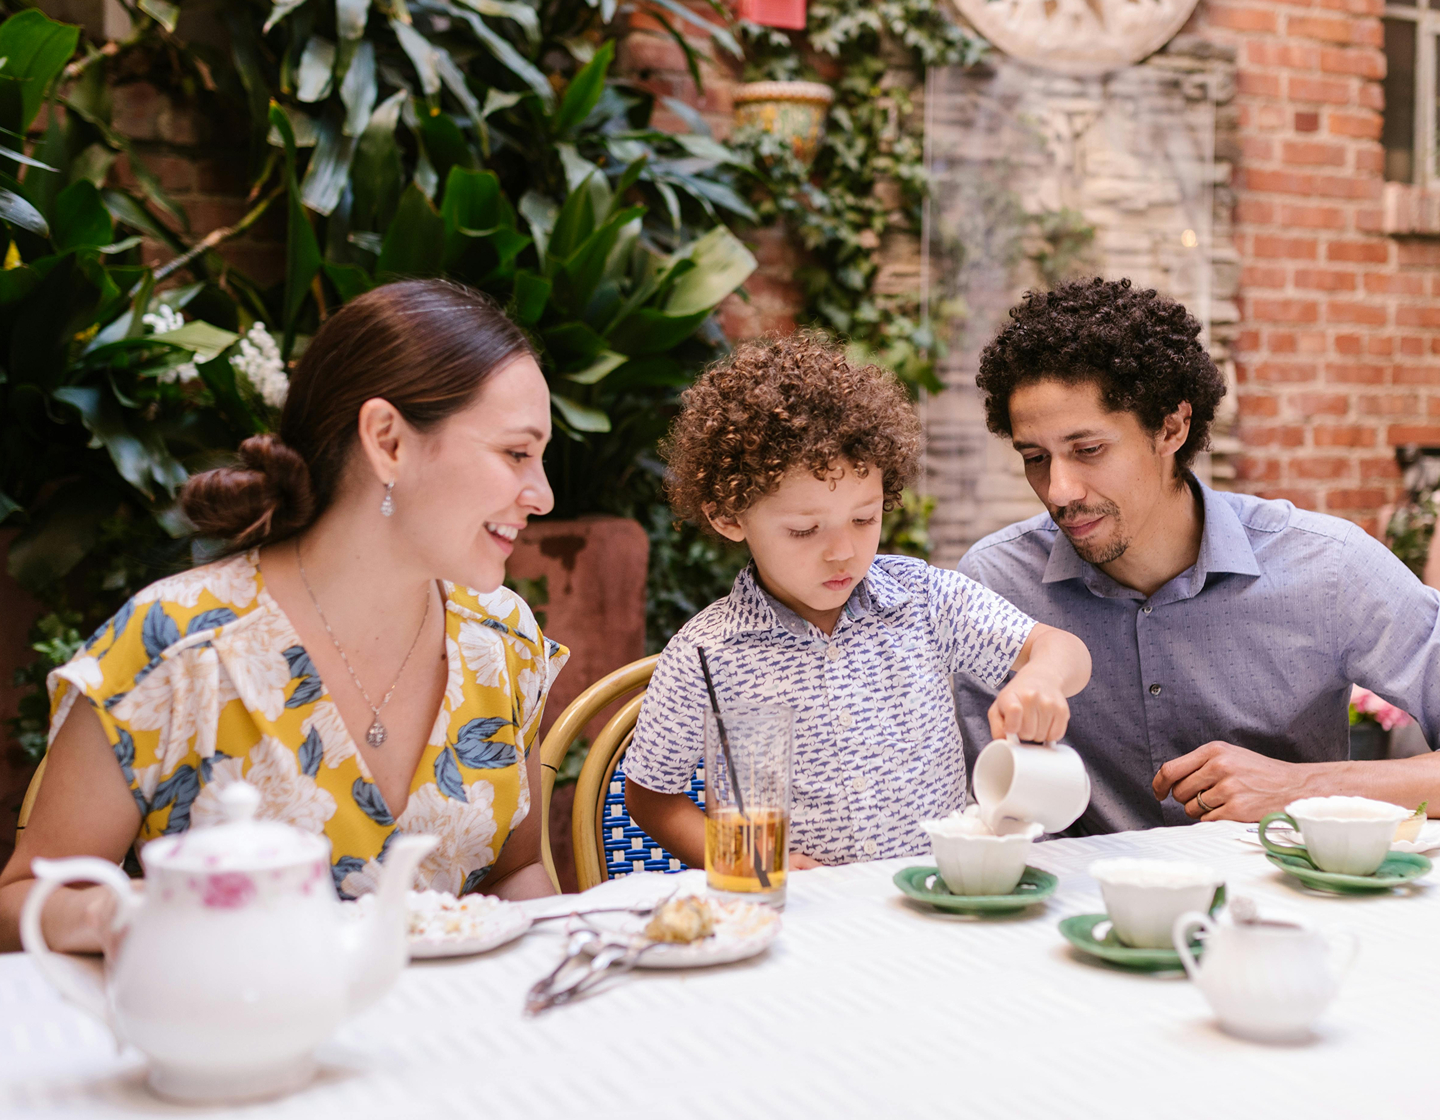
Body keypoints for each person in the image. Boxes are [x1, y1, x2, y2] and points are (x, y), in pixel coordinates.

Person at [0, 279, 567, 953]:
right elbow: (22, 904)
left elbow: (517, 870)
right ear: (388, 440)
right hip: (240, 1044)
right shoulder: (175, 647)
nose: (542, 495)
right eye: (516, 453)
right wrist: (116, 913)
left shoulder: (502, 640)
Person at [954, 277, 1440, 834]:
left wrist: (1301, 789)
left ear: (1172, 427)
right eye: (1036, 457)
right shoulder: (995, 585)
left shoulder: (1328, 568)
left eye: (1088, 450)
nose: (1059, 489)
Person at [624, 334, 1092, 867]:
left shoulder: (926, 601)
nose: (842, 551)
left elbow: (1061, 649)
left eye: (865, 518)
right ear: (728, 517)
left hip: (928, 904)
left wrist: (1040, 677)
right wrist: (748, 858)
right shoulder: (704, 656)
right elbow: (650, 795)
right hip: (803, 924)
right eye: (804, 530)